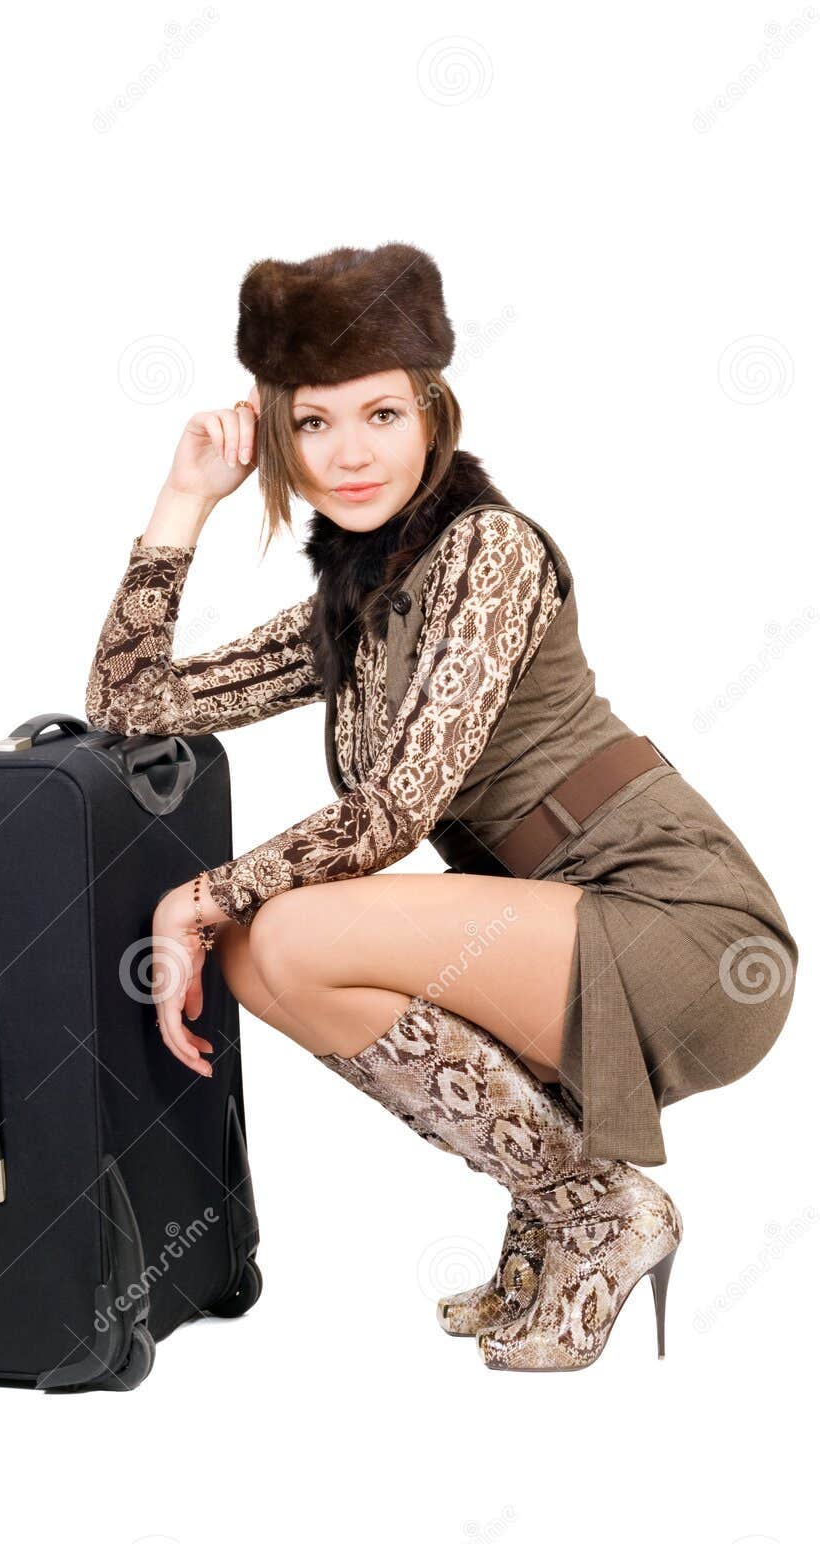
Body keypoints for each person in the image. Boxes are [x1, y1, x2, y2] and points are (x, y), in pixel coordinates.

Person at [84, 242, 798, 1372]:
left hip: (680, 933)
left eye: (379, 413)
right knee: (261, 951)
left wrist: (198, 893)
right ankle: (572, 1201)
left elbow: (393, 812)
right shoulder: (355, 598)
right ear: (275, 434)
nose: (350, 453)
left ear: (431, 412)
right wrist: (183, 502)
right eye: (312, 424)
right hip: (561, 933)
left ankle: (595, 1207)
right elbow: (129, 705)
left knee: (287, 927)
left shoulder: (484, 550)